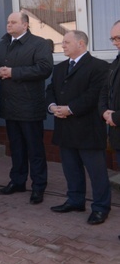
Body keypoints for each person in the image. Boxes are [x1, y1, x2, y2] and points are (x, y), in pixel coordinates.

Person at [47, 30, 110, 225]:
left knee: (96, 171)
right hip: (65, 128)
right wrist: (52, 106)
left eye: (66, 42)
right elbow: (51, 90)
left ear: (81, 44)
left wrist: (70, 109)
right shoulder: (60, 68)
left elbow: (94, 95)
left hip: (88, 129)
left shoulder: (99, 66)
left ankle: (101, 207)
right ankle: (75, 200)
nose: (62, 45)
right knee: (71, 168)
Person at [0, 12, 53, 204]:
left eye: (13, 22)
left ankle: (38, 186)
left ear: (25, 25)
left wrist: (13, 72)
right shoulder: (3, 44)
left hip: (30, 106)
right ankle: (17, 181)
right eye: (8, 21)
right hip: (9, 106)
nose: (8, 25)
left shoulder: (38, 44)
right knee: (16, 147)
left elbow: (45, 68)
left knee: (34, 149)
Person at [100, 20, 120, 240]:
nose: (115, 43)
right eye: (113, 38)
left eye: (119, 38)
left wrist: (115, 116)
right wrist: (105, 112)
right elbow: (105, 90)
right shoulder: (115, 62)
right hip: (116, 132)